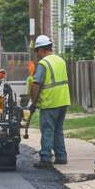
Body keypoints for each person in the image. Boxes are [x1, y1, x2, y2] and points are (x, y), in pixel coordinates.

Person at [27, 34, 70, 168]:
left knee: (47, 130)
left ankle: (45, 158)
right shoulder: (60, 60)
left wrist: (33, 102)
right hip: (63, 101)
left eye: (37, 51)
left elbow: (36, 84)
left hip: (50, 102)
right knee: (58, 129)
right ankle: (61, 156)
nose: (37, 54)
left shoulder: (43, 63)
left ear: (41, 49)